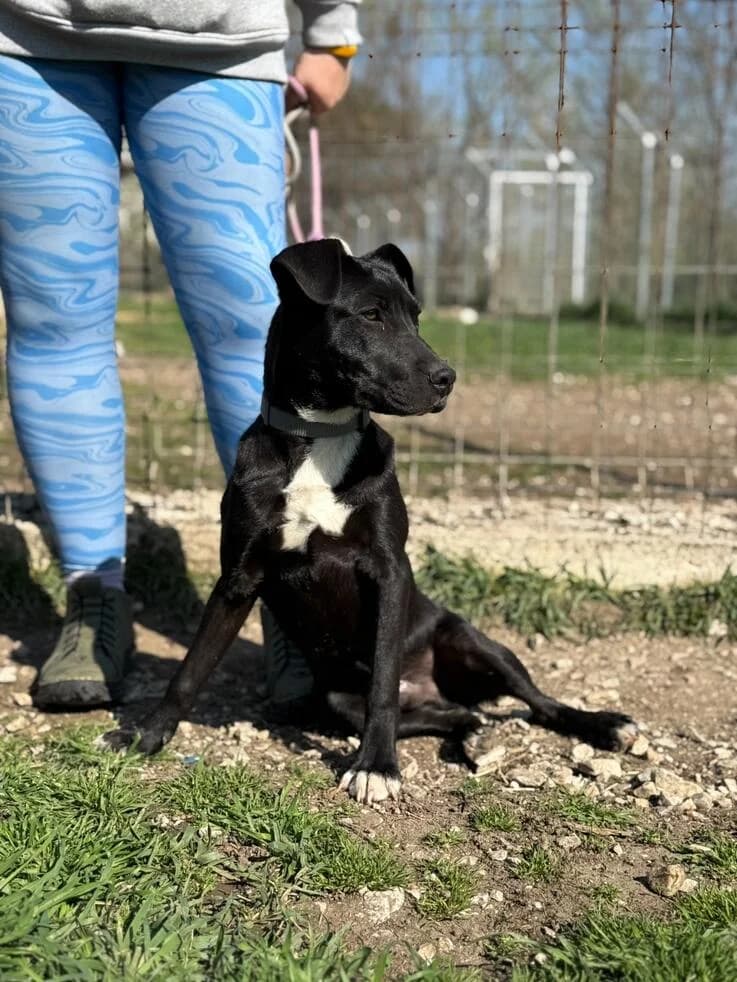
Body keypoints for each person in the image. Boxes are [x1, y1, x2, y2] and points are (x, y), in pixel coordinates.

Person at [0, 0, 360, 708]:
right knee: (54, 319)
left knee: (252, 328)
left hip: (219, 43)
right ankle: (93, 599)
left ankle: (293, 593)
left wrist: (332, 34)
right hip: (24, 41)